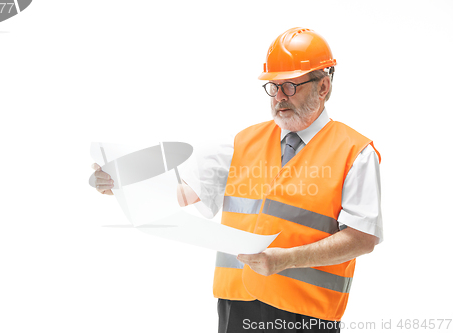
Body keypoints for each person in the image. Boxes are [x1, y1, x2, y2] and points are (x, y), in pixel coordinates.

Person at [92, 27, 383, 333]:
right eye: (273, 87)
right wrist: (121, 183)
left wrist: (286, 259)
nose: (279, 98)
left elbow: (362, 238)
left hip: (307, 315)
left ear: (323, 86)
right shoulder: (242, 142)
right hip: (236, 307)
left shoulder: (355, 152)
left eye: (290, 87)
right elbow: (182, 193)